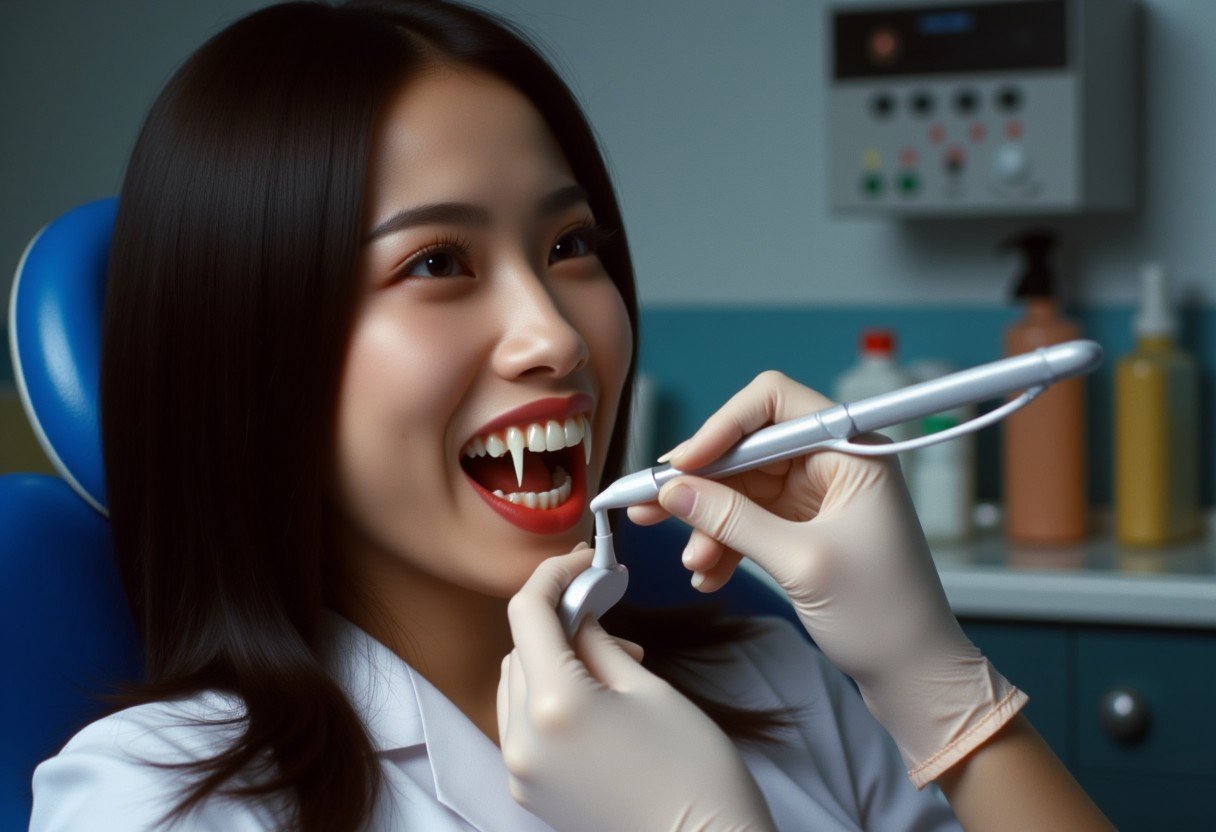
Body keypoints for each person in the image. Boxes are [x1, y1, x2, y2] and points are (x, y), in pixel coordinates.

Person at [28, 1, 1113, 830]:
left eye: (568, 246)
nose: (552, 332)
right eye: (436, 261)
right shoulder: (159, 799)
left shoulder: (769, 678)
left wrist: (941, 695)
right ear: (253, 360)